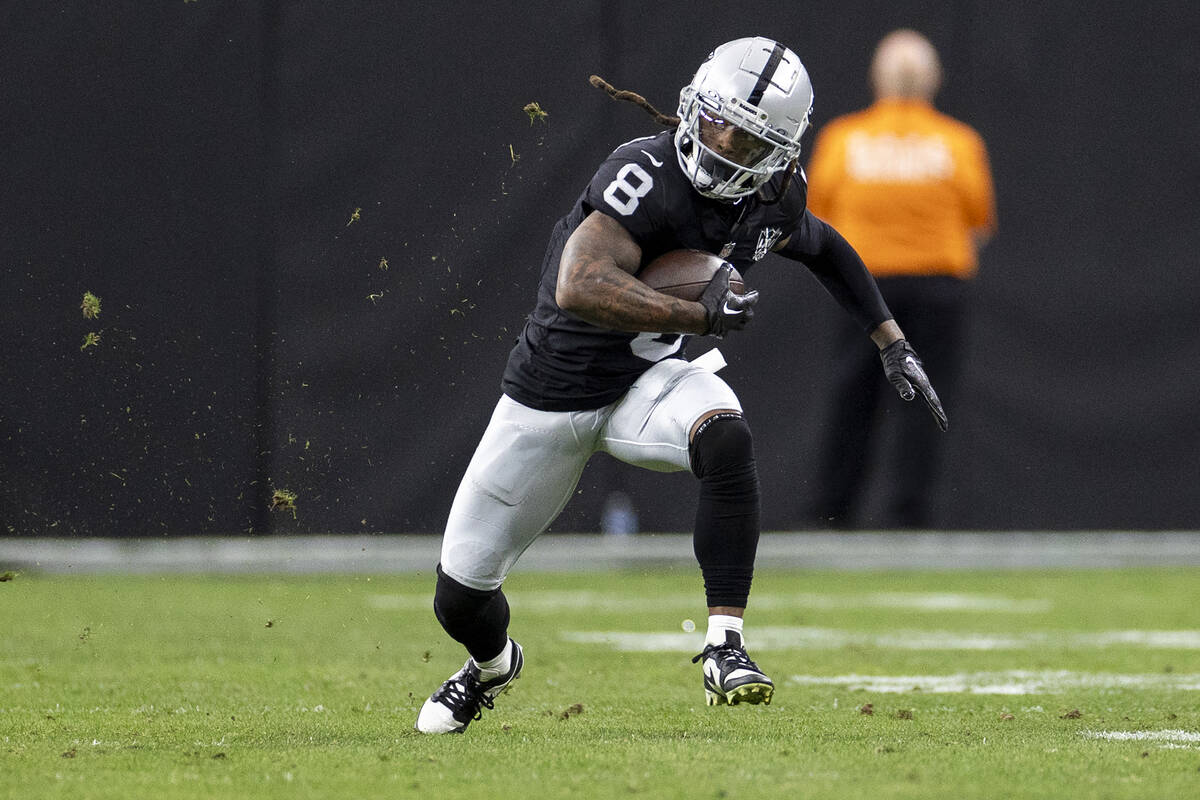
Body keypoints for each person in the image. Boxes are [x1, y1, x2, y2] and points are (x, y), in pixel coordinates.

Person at [415, 36, 947, 734]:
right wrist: (696, 313)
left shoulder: (775, 195)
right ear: (694, 103)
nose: (721, 142)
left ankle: (725, 647)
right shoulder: (643, 172)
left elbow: (826, 247)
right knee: (460, 599)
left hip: (645, 385)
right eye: (716, 118)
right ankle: (489, 667)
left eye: (746, 138)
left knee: (725, 434)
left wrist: (892, 343)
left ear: (779, 153)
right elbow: (581, 285)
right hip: (550, 396)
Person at [805, 29, 997, 529]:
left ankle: (831, 516)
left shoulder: (844, 139)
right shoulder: (957, 142)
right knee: (924, 404)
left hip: (863, 287)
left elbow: (817, 218)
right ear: (934, 80)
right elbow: (978, 221)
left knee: (853, 399)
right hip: (937, 286)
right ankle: (908, 519)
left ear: (877, 78)